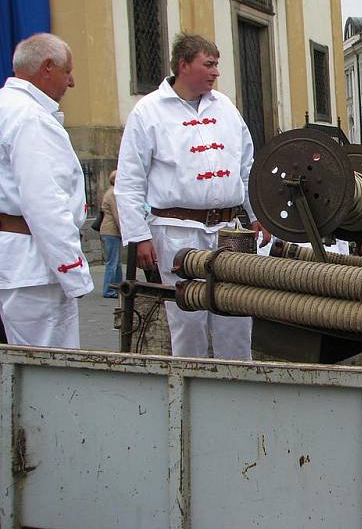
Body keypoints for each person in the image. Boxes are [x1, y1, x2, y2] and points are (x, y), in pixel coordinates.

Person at [115, 33, 267, 359]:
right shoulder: (148, 112)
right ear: (184, 65)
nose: (215, 72)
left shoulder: (224, 107)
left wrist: (256, 215)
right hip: (176, 233)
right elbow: (129, 180)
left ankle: (238, 389)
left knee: (236, 317)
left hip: (228, 232)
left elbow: (246, 166)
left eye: (216, 65)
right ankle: (191, 393)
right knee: (187, 319)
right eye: (208, 64)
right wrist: (139, 236)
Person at [0, 33, 94, 347]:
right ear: (47, 68)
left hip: (12, 262)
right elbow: (44, 203)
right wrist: (73, 272)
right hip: (32, 268)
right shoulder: (30, 117)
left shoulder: (6, 107)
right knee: (47, 374)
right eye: (68, 71)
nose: (72, 82)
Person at [100, 169, 122, 298]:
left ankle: (117, 287)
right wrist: (124, 231)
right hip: (111, 231)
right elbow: (117, 214)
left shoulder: (111, 192)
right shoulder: (113, 193)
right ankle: (109, 290)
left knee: (116, 262)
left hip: (111, 231)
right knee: (112, 262)